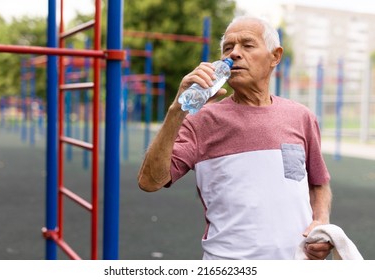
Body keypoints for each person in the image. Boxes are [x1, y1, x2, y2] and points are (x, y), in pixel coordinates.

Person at [138, 15, 333, 260]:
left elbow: (318, 181)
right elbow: (150, 181)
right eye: (228, 48)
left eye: (247, 45)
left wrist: (320, 223)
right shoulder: (201, 120)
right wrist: (177, 110)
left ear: (275, 56)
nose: (234, 54)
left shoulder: (301, 116)